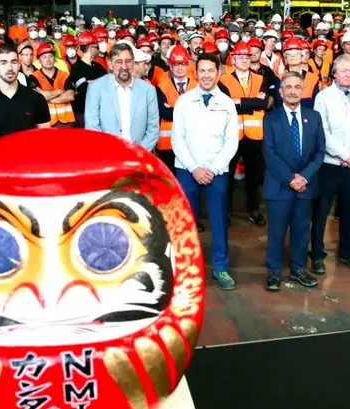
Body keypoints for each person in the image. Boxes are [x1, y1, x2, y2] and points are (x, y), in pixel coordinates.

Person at [172, 53, 239, 290]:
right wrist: (194, 168)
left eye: (211, 70)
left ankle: (220, 268)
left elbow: (231, 142)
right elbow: (177, 140)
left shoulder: (227, 103)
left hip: (217, 173)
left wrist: (211, 169)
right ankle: (185, 269)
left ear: (219, 71)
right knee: (186, 222)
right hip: (187, 171)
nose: (207, 75)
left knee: (219, 221)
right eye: (202, 71)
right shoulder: (184, 101)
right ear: (195, 72)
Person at [309, 55, 350, 276]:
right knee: (321, 212)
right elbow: (321, 132)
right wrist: (344, 153)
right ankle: (316, 255)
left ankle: (348, 252)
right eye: (343, 70)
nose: (348, 74)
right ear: (334, 73)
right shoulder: (323, 97)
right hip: (329, 165)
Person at [263, 71, 326, 291]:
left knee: (301, 231)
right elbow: (269, 154)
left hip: (305, 187)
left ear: (303, 90)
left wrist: (304, 177)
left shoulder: (314, 117)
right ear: (280, 92)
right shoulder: (270, 118)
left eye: (297, 87)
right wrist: (291, 179)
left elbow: (320, 152)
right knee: (276, 232)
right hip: (279, 186)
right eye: (287, 87)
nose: (292, 91)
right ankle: (273, 272)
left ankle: (298, 269)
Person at [218, 41, 273, 227]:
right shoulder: (223, 81)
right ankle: (226, 211)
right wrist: (250, 102)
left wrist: (239, 102)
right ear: (233, 59)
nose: (244, 60)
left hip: (255, 136)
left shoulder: (260, 78)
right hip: (232, 136)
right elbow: (226, 105)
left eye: (247, 57)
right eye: (240, 57)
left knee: (253, 176)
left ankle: (254, 210)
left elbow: (263, 104)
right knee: (228, 176)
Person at [0, 42, 51, 148]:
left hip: (29, 161)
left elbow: (45, 137)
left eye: (13, 62)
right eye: (3, 63)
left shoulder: (36, 99)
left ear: (19, 65)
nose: (9, 68)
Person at [85, 43, 160, 151]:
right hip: (108, 157)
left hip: (139, 157)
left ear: (133, 63)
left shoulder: (148, 90)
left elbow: (153, 129)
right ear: (110, 64)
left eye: (128, 61)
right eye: (119, 62)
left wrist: (138, 153)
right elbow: (92, 128)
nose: (124, 67)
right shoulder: (95, 88)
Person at [155, 45, 197, 173]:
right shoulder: (161, 87)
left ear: (188, 64)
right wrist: (190, 110)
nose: (179, 68)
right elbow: (164, 113)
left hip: (193, 144)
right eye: (176, 64)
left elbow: (200, 112)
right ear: (170, 65)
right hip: (168, 146)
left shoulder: (198, 86)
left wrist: (172, 108)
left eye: (183, 64)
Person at [27, 43, 76, 128]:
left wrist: (47, 98)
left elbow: (70, 96)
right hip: (45, 121)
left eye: (50, 56)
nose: (48, 60)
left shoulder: (64, 75)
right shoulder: (34, 76)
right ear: (39, 60)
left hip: (66, 122)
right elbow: (38, 97)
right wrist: (60, 91)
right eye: (44, 57)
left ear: (54, 58)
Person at [68, 31, 107, 128]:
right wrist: (98, 83)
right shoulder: (76, 68)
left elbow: (109, 84)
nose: (98, 50)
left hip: (100, 111)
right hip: (82, 112)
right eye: (96, 47)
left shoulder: (98, 66)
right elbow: (83, 88)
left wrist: (90, 82)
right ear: (91, 48)